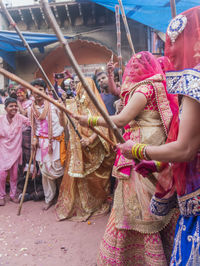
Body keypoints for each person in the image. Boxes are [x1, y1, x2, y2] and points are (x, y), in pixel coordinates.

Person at [74, 51, 179, 265]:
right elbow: (119, 93)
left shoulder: (144, 89)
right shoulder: (158, 85)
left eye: (132, 68)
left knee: (140, 207)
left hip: (140, 151)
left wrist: (89, 120)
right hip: (157, 149)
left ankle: (146, 258)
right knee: (159, 203)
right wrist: (112, 76)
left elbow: (121, 119)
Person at [117, 7, 200, 265]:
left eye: (173, 45)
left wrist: (138, 151)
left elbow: (185, 149)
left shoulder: (191, 83)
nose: (169, 55)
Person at [55, 77, 116, 222]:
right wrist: (60, 110)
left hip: (94, 148)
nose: (79, 88)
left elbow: (102, 125)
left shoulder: (96, 105)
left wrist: (90, 139)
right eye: (78, 85)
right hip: (77, 148)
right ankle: (82, 206)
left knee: (94, 179)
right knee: (80, 180)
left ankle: (96, 203)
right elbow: (64, 124)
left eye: (83, 85)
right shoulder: (71, 104)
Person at [29, 78, 66, 210]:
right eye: (34, 90)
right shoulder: (31, 109)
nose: (37, 93)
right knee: (45, 172)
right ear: (31, 93)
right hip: (42, 145)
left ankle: (62, 197)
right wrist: (34, 138)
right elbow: (33, 127)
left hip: (56, 142)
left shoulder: (54, 104)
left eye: (40, 90)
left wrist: (62, 111)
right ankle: (49, 198)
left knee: (59, 170)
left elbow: (63, 124)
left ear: (45, 91)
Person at [0, 97, 30, 206]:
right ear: (5, 108)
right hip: (3, 151)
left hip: (16, 151)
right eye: (11, 106)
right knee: (2, 174)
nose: (14, 108)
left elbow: (31, 122)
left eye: (15, 106)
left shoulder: (20, 117)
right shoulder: (1, 119)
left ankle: (13, 195)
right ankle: (1, 196)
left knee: (14, 175)